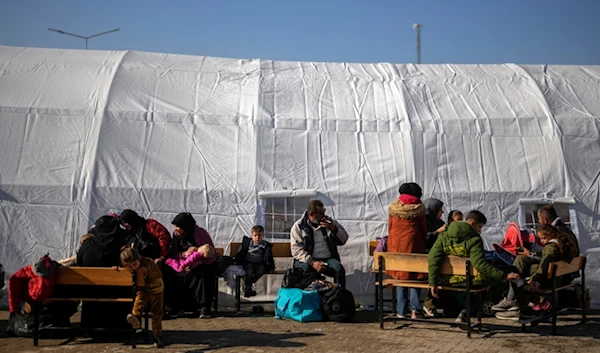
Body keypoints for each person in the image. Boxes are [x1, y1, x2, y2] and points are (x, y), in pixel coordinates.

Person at [428, 210, 520, 323]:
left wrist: (433, 283)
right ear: (472, 224)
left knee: (478, 282)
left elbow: (433, 259)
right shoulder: (474, 239)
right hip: (470, 279)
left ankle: (464, 313)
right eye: (479, 227)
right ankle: (515, 305)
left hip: (449, 279)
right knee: (511, 271)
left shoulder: (443, 236)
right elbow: (480, 264)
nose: (480, 230)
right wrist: (504, 276)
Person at [493, 224, 577, 320]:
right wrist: (530, 255)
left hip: (547, 280)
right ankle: (513, 299)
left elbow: (545, 265)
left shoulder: (551, 248)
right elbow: (545, 259)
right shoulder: (559, 245)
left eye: (544, 238)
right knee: (521, 259)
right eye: (540, 239)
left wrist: (533, 279)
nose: (541, 241)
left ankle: (512, 300)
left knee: (519, 265)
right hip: (555, 278)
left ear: (552, 235)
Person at [387, 183, 428, 319]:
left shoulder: (394, 207)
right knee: (415, 277)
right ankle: (415, 310)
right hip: (414, 246)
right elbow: (423, 229)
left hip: (396, 248)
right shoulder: (418, 208)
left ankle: (401, 311)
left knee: (401, 277)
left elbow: (390, 228)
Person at [166, 212, 217, 319]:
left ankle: (204, 308)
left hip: (199, 264)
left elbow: (210, 253)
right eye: (175, 226)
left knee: (203, 273)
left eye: (178, 226)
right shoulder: (176, 235)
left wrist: (197, 263)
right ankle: (176, 308)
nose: (176, 229)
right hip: (181, 264)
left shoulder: (201, 233)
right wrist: (183, 254)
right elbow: (173, 253)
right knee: (169, 273)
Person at [290, 200, 349, 287]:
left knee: (338, 269)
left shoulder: (329, 222)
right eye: (320, 213)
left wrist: (333, 229)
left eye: (323, 211)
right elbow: (296, 250)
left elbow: (344, 239)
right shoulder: (299, 226)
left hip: (327, 259)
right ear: (311, 214)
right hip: (307, 259)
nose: (323, 215)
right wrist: (312, 262)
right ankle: (305, 296)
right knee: (303, 270)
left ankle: (338, 296)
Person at [119, 247, 165, 348]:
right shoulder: (133, 267)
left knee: (156, 313)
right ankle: (135, 317)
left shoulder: (148, 262)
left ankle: (157, 336)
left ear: (138, 258)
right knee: (139, 301)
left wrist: (147, 271)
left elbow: (158, 277)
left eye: (134, 265)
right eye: (130, 267)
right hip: (142, 289)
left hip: (155, 289)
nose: (133, 268)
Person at [234, 225, 275, 297]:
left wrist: (272, 266)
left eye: (259, 235)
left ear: (263, 235)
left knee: (261, 270)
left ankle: (250, 282)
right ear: (252, 235)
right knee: (249, 271)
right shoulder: (247, 243)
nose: (257, 237)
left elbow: (269, 257)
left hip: (260, 263)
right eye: (255, 235)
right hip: (248, 262)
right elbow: (240, 252)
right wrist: (236, 261)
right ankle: (248, 288)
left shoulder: (265, 245)